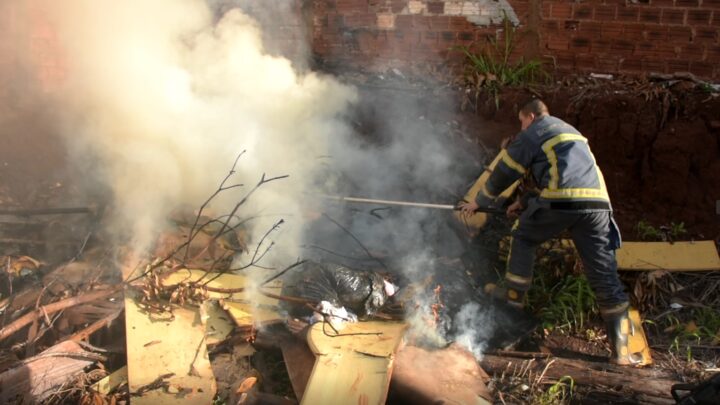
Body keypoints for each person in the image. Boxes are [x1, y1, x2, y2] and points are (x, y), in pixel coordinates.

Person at [459, 99, 651, 366]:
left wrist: (479, 201)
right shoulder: (569, 133)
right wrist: (524, 203)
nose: (521, 126)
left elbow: (506, 171)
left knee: (524, 237)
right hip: (598, 207)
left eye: (521, 121)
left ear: (531, 116)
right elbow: (561, 176)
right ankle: (621, 352)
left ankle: (514, 303)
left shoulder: (536, 130)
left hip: (562, 201)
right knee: (604, 276)